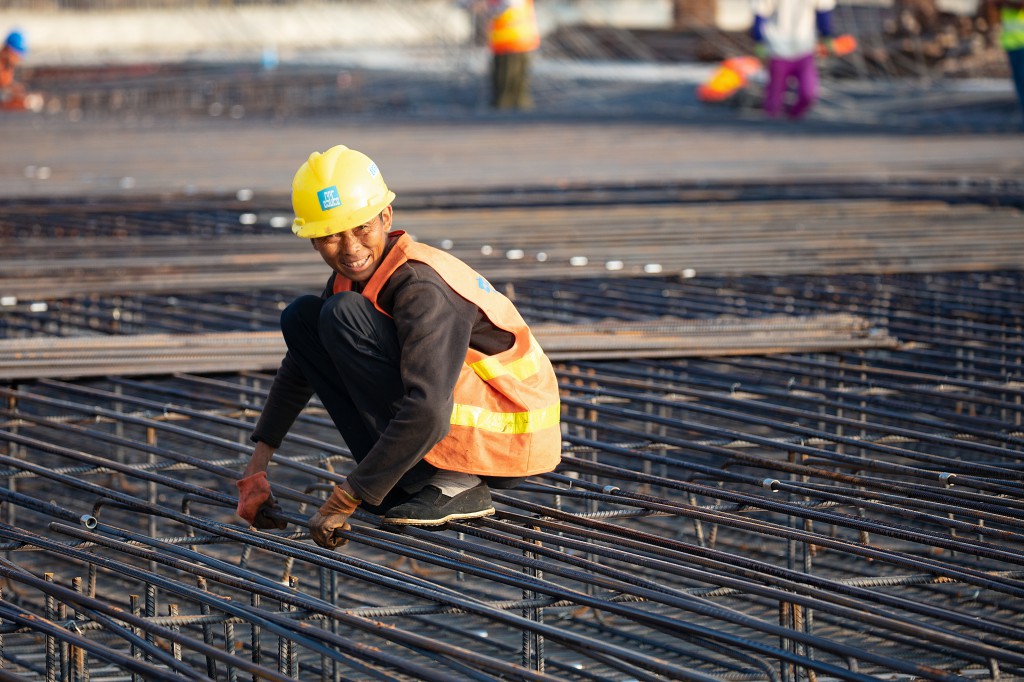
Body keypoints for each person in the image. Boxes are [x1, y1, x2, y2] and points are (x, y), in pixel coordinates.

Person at [236, 145, 562, 549]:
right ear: (314, 241)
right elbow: (300, 366)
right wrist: (257, 466)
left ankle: (457, 483)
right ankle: (407, 479)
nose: (351, 248)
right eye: (332, 235)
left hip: (504, 439)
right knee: (303, 318)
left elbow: (428, 410)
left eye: (361, 228)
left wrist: (347, 496)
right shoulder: (353, 278)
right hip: (451, 422)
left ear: (386, 218)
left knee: (340, 314)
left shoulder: (420, 287)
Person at [750, 0, 836, 119]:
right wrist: (759, 40)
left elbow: (823, 11)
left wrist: (826, 35)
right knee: (774, 96)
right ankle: (771, 122)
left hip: (804, 47)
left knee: (808, 93)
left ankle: (792, 117)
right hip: (778, 47)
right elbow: (760, 13)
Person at [461, 0, 541, 110]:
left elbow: (510, 3)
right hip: (504, 43)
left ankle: (511, 112)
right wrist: (475, 4)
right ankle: (508, 111)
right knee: (504, 88)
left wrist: (485, 7)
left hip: (515, 41)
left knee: (510, 91)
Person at [984, 0, 1024, 127]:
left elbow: (1019, 5)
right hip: (1012, 44)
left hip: (1022, 44)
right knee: (1019, 83)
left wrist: (1004, 2)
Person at [1, 30, 30, 112]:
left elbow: (5, 84)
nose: (19, 59)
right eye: (17, 55)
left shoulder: (7, 66)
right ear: (8, 50)